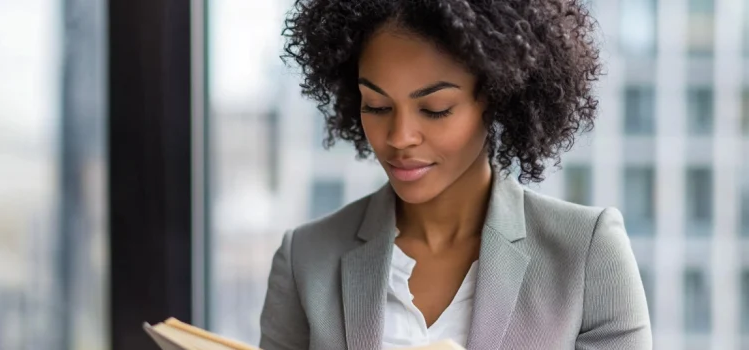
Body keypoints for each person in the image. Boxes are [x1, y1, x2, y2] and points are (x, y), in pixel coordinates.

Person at [260, 0, 652, 349]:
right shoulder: (306, 258)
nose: (400, 137)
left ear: (498, 97)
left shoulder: (586, 253)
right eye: (377, 106)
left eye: (435, 108)